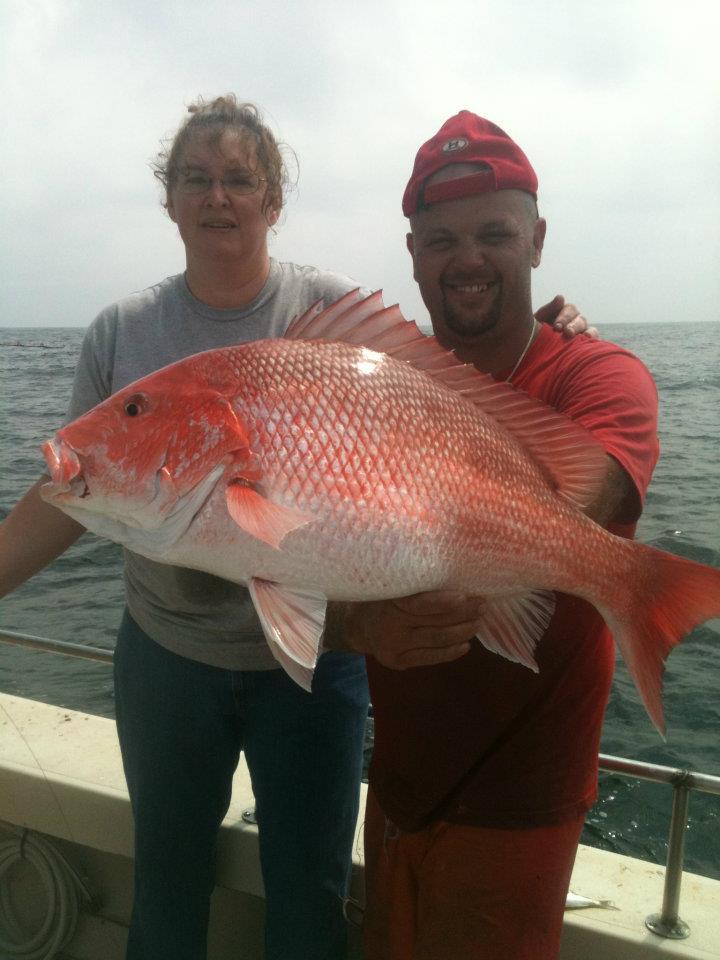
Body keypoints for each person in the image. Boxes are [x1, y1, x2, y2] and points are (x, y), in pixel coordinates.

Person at [0, 97, 588, 960]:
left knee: (311, 897)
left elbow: (439, 393)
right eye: (196, 178)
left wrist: (548, 331)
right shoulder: (121, 331)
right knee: (165, 883)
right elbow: (64, 493)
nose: (218, 196)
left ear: (274, 199)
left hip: (319, 669)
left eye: (240, 179)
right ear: (169, 198)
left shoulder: (328, 307)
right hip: (167, 660)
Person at [325, 112, 660, 960]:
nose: (466, 259)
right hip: (397, 787)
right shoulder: (377, 384)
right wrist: (355, 624)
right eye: (441, 240)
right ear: (412, 254)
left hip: (522, 802)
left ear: (537, 240)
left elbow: (587, 500)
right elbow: (312, 551)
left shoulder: (597, 372)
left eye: (495, 234)